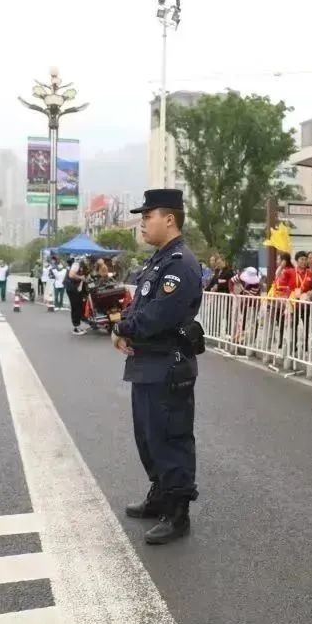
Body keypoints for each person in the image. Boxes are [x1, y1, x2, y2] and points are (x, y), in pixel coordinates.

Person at [114, 189, 203, 545]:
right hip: (148, 363)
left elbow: (159, 315)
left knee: (170, 437)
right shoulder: (159, 260)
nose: (142, 223)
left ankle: (178, 511)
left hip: (168, 365)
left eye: (147, 216)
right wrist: (123, 328)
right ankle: (160, 494)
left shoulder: (179, 263)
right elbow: (139, 304)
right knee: (149, 436)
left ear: (169, 219)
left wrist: (124, 328)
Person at [66, 257, 88, 335]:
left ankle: (78, 325)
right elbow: (71, 275)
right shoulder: (76, 264)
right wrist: (80, 277)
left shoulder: (81, 266)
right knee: (76, 307)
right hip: (72, 289)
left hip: (77, 289)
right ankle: (76, 328)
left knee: (79, 306)